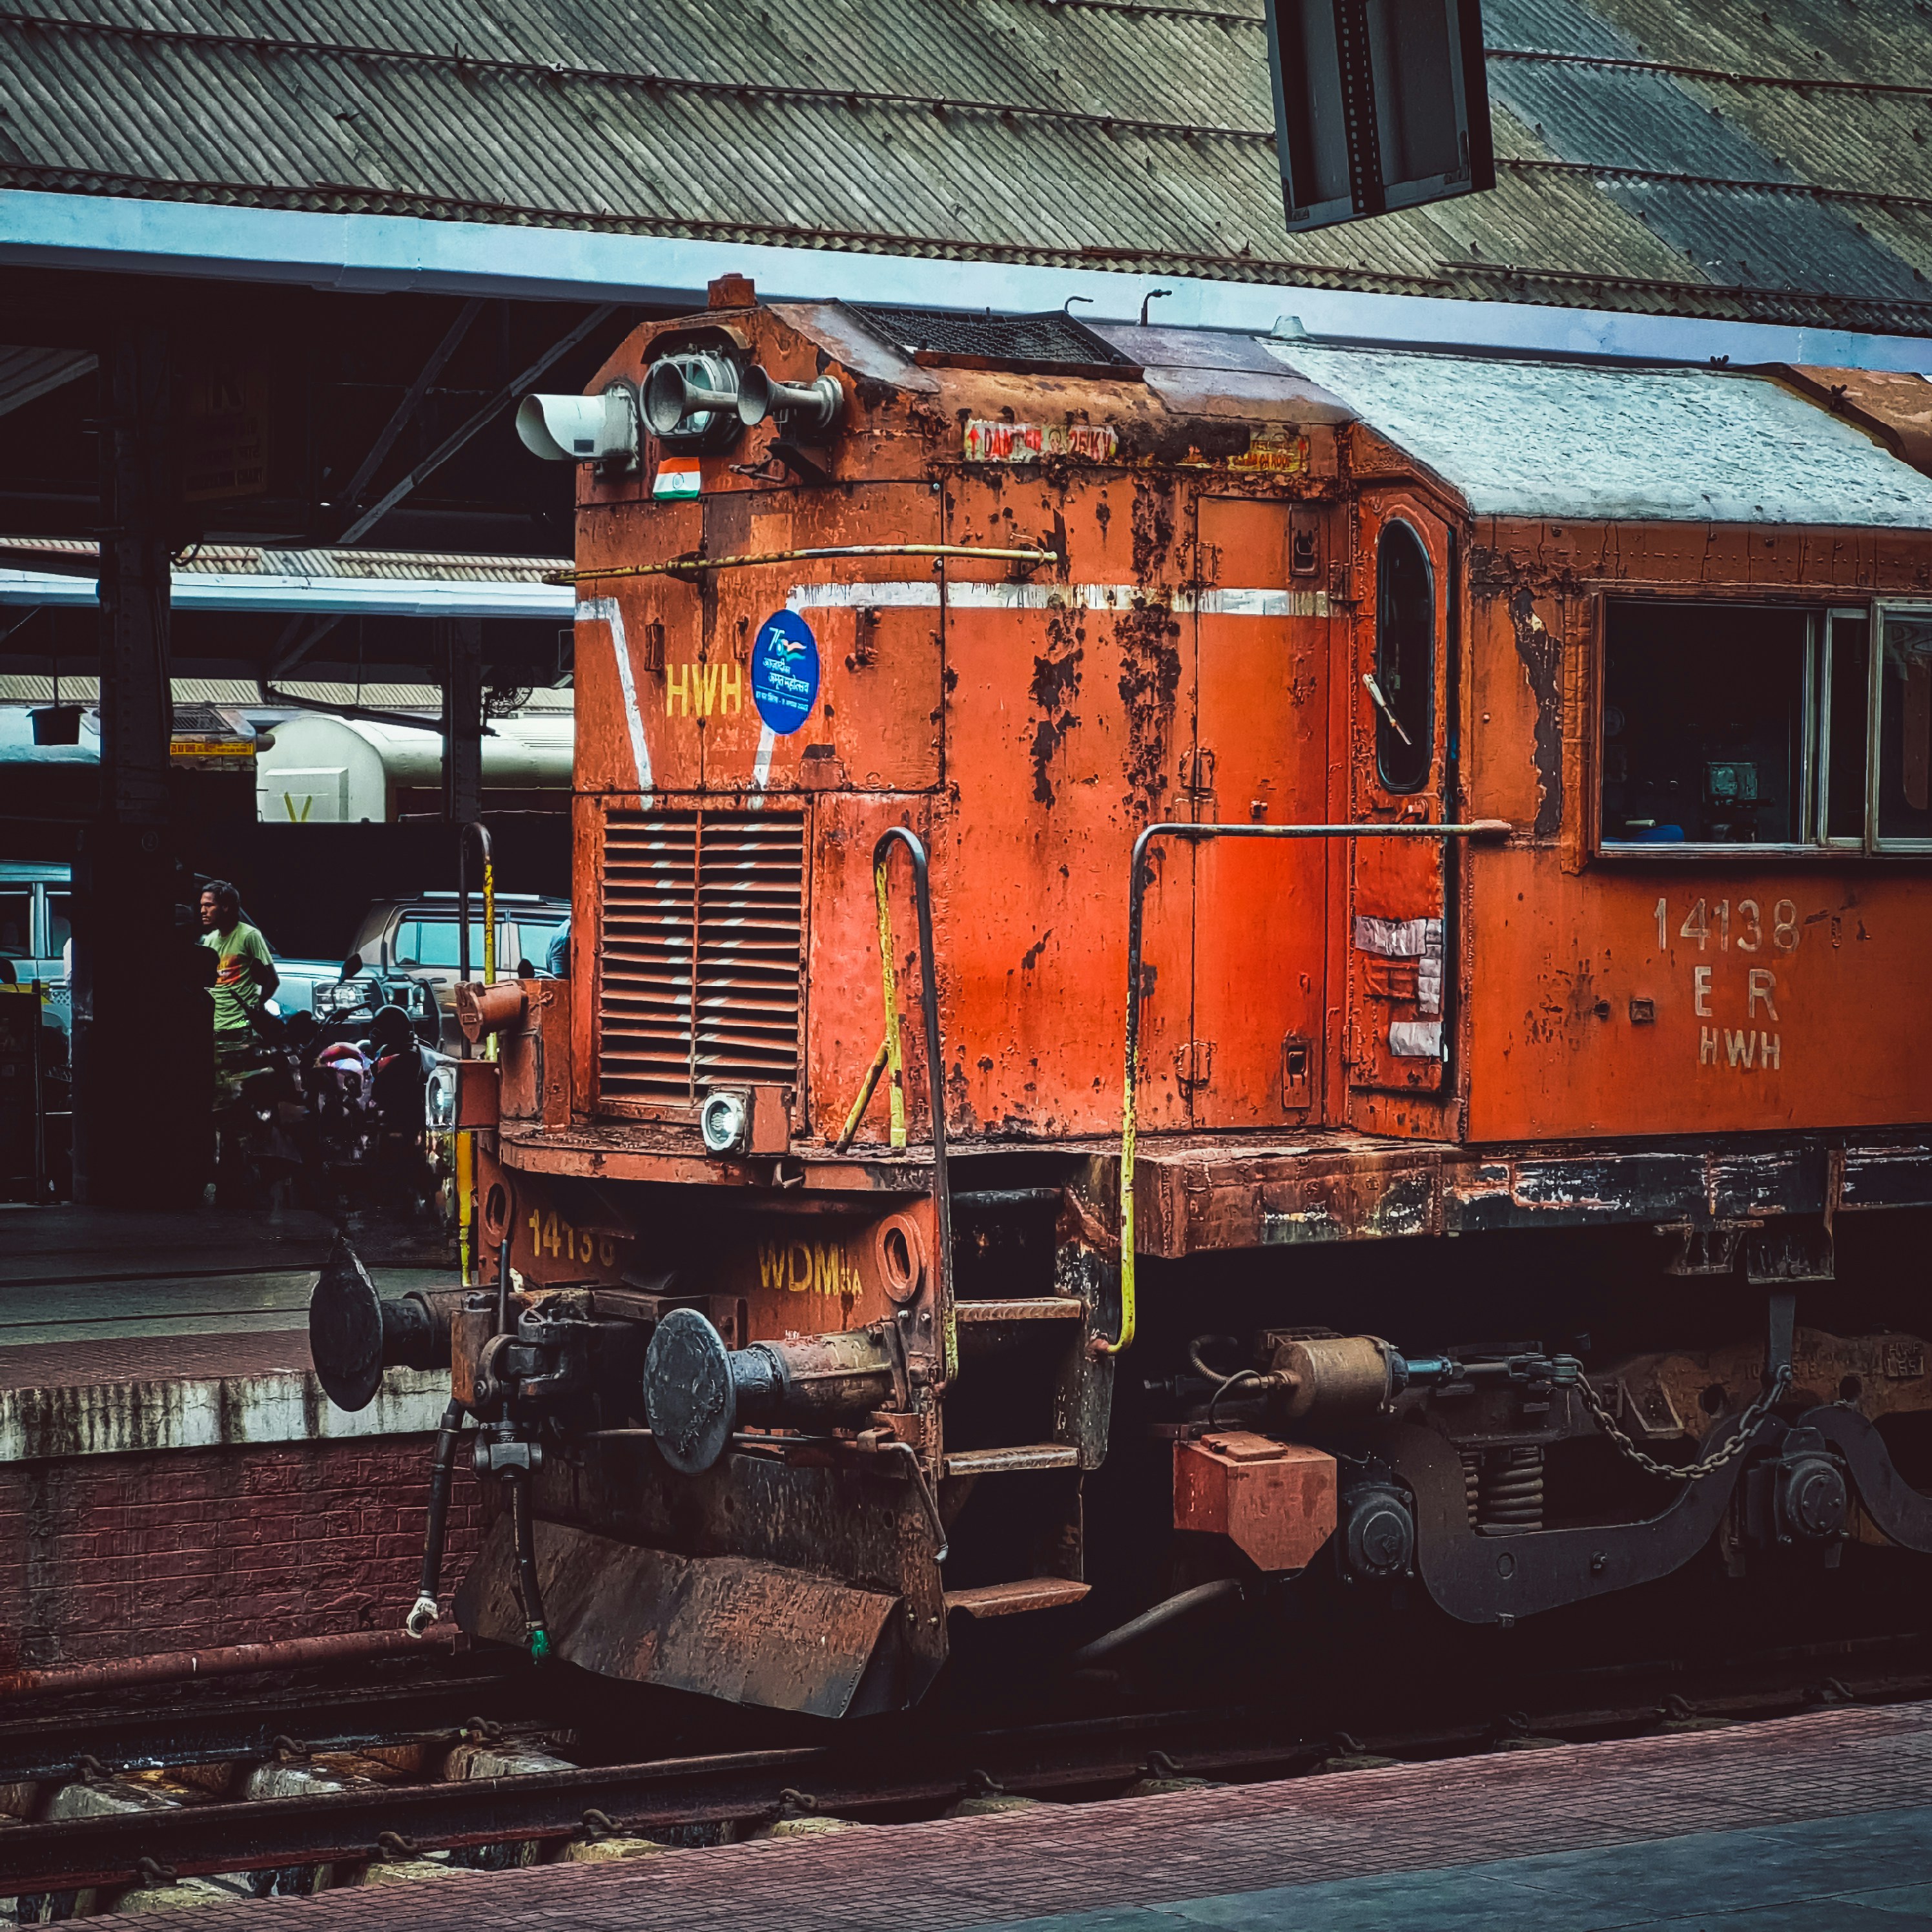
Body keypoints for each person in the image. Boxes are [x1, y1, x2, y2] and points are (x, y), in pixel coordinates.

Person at [199, 881, 279, 1091]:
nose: (203, 910)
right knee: (219, 1089)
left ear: (226, 906)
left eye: (209, 905)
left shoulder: (249, 936)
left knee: (240, 1090)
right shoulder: (209, 941)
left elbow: (272, 980)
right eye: (202, 905)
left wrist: (256, 1007)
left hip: (240, 1031)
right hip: (215, 1030)